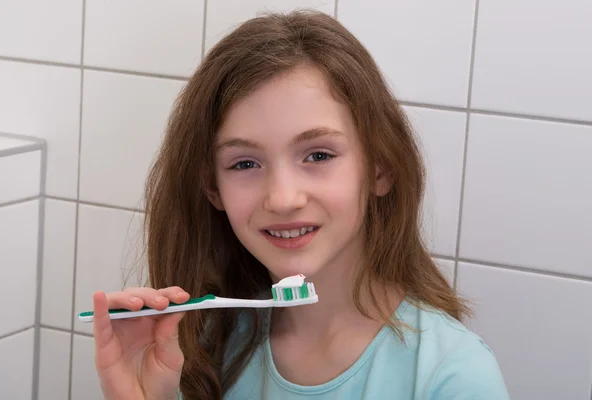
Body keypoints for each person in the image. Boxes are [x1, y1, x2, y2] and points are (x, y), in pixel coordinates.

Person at [91, 10, 509, 400]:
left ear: (381, 167)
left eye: (319, 156)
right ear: (211, 188)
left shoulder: (450, 376)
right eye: (245, 163)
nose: (283, 198)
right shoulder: (201, 349)